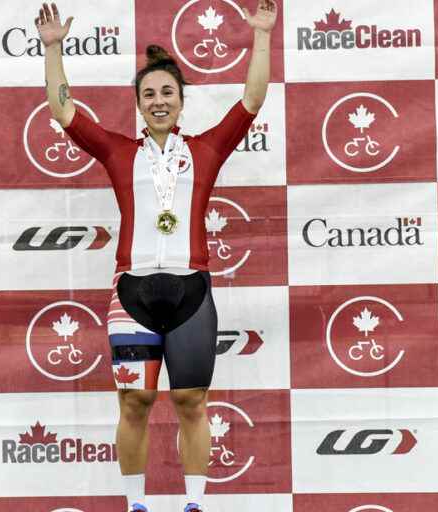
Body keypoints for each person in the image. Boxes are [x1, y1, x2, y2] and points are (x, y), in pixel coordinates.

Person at [36, 2, 276, 511]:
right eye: (149, 94)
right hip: (132, 294)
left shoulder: (207, 149)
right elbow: (64, 111)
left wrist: (261, 37)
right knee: (134, 402)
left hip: (192, 291)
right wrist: (54, 48)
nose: (159, 101)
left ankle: (194, 504)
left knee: (191, 402)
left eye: (167, 92)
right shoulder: (119, 151)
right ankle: (135, 505)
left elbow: (252, 99)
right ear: (139, 105)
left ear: (181, 101)